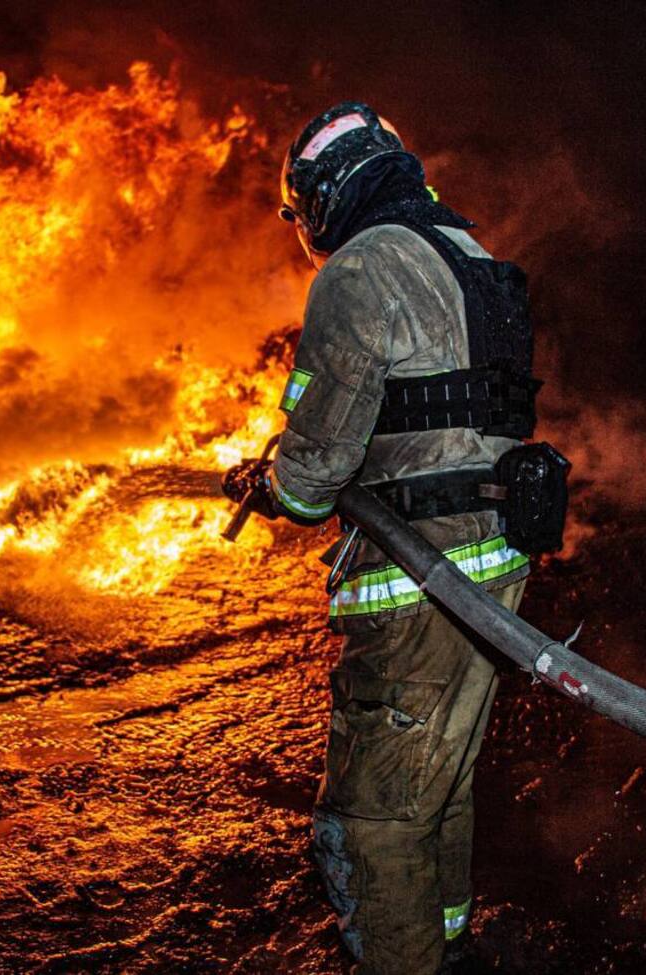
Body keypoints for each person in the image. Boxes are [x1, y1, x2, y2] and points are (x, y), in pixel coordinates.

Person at [222, 102, 543, 973]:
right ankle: (446, 944)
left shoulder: (360, 270)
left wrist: (279, 483)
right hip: (496, 566)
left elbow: (317, 470)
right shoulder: (470, 255)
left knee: (371, 818)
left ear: (325, 197)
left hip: (419, 579)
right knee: (439, 783)